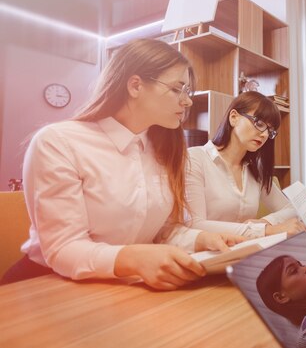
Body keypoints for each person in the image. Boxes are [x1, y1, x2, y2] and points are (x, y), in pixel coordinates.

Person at [1, 39, 246, 290]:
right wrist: (133, 258)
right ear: (135, 85)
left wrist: (201, 240)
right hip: (44, 283)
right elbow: (64, 248)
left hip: (118, 284)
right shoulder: (59, 142)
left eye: (188, 92)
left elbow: (160, 231)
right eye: (177, 89)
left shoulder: (163, 149)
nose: (187, 102)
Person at [186, 91, 305, 238]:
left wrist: (264, 221)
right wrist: (262, 230)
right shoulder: (194, 159)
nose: (265, 135)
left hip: (247, 251)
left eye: (270, 130)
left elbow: (291, 209)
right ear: (234, 117)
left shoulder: (255, 170)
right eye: (259, 123)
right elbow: (194, 225)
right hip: (207, 254)